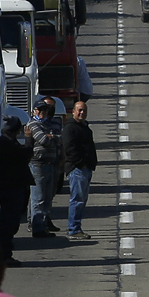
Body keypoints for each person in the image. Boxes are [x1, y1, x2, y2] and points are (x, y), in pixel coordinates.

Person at [0, 116, 35, 267]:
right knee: (9, 222)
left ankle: (3, 254)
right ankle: (3, 254)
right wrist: (29, 140)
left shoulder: (8, 141)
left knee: (11, 221)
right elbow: (24, 154)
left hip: (13, 187)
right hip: (10, 188)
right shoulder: (6, 143)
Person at [26, 98, 62, 238]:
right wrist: (52, 138)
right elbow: (44, 140)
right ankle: (37, 227)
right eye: (39, 110)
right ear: (34, 111)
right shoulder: (33, 124)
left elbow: (61, 138)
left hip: (50, 164)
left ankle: (44, 225)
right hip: (38, 165)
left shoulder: (49, 124)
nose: (42, 113)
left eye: (45, 110)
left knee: (47, 198)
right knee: (38, 198)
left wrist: (52, 136)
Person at [62, 101, 97, 241]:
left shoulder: (84, 127)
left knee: (82, 200)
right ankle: (74, 229)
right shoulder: (70, 128)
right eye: (79, 110)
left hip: (86, 168)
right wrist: (80, 163)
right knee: (77, 200)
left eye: (84, 110)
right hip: (77, 169)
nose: (82, 113)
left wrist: (91, 163)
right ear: (73, 112)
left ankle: (75, 227)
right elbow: (69, 149)